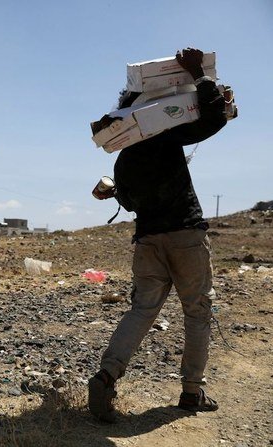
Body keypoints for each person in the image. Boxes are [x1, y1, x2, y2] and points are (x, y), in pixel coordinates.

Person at [88, 48, 228, 422]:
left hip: (149, 240)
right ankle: (191, 392)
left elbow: (132, 203)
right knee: (197, 312)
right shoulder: (166, 136)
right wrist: (199, 75)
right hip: (185, 233)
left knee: (142, 310)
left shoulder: (123, 157)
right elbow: (215, 118)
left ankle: (107, 375)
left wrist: (113, 192)